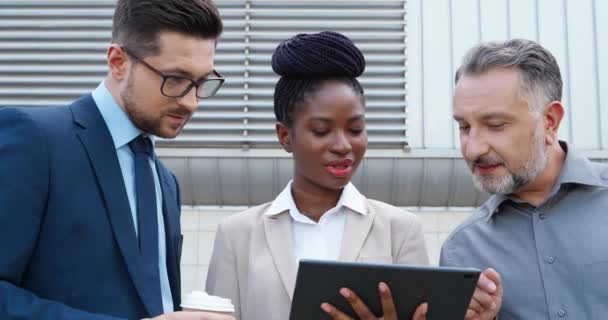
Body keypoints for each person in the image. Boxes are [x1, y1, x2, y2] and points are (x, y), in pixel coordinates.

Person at [0, 0, 233, 319]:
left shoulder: (165, 182)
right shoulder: (35, 139)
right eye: (176, 80)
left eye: (202, 82)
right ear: (118, 61)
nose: (192, 103)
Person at [205, 31, 430, 320]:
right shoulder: (237, 236)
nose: (343, 146)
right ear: (285, 135)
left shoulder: (400, 231)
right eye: (321, 131)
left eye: (355, 129)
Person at [440, 38, 608, 319]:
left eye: (495, 125)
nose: (473, 148)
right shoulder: (462, 251)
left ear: (550, 121)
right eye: (464, 127)